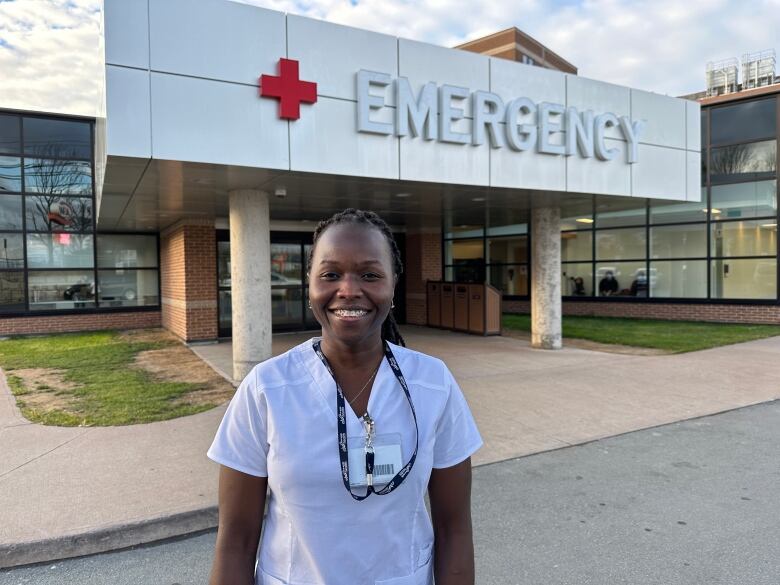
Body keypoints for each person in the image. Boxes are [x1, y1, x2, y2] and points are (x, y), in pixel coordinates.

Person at [207, 209, 483, 585]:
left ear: (393, 284)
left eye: (370, 274)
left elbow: (454, 529)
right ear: (310, 284)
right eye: (331, 274)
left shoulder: (433, 384)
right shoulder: (266, 389)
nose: (349, 290)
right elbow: (236, 541)